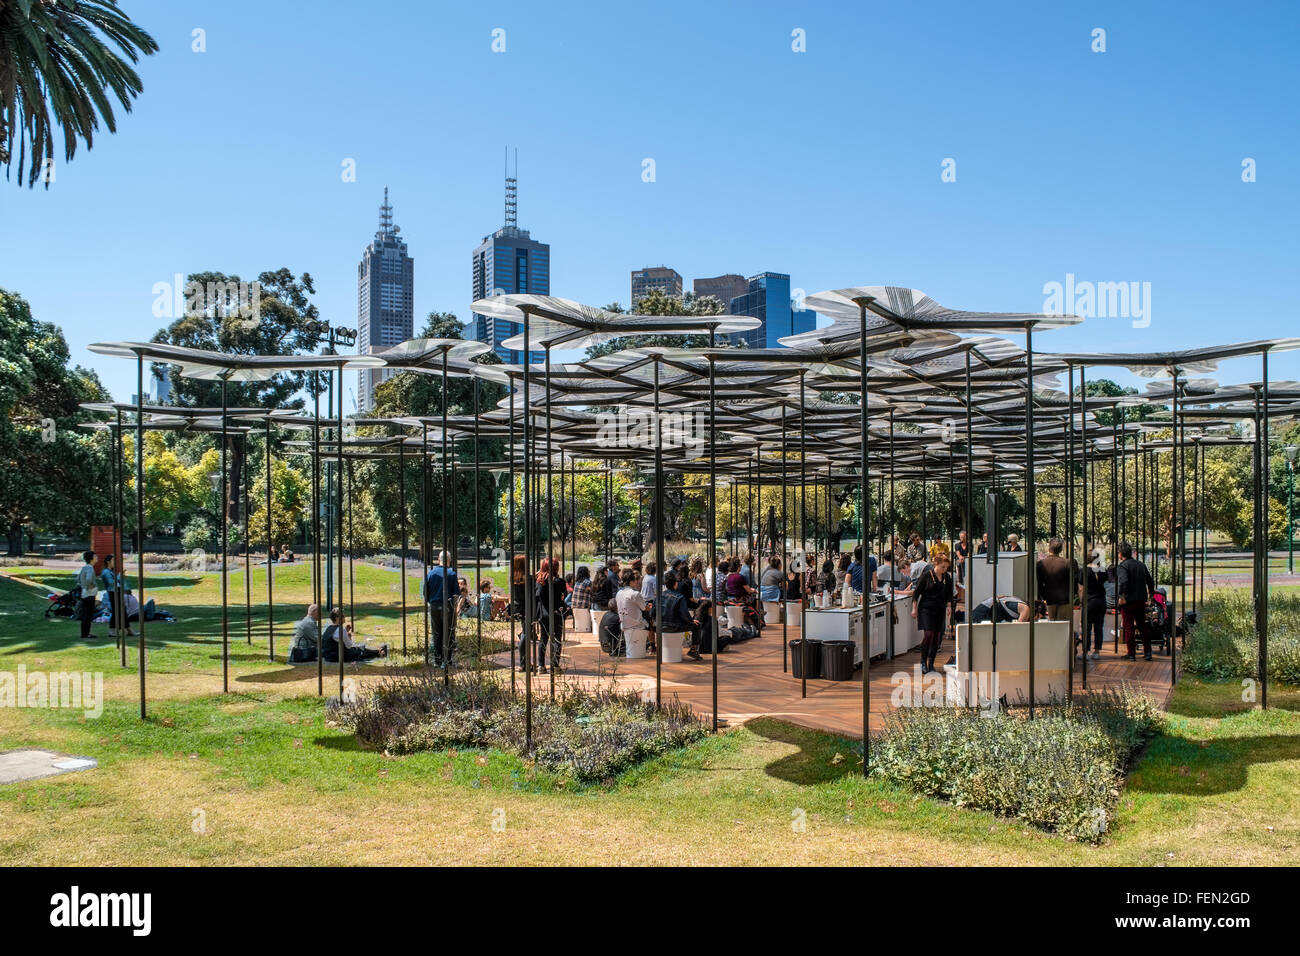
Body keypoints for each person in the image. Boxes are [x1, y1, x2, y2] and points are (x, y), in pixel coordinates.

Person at [912, 553, 960, 674]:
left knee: (937, 637)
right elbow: (916, 593)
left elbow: (949, 593)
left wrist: (949, 605)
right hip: (926, 609)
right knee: (928, 634)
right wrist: (914, 608)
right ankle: (923, 661)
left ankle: (931, 662)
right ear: (936, 564)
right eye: (943, 567)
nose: (945, 569)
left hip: (939, 609)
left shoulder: (946, 578)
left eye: (946, 567)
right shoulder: (926, 576)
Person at [1116, 542, 1155, 661]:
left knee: (1129, 627)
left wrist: (1121, 596)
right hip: (1140, 599)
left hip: (1128, 601)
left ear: (1121, 554)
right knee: (1142, 625)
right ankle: (1148, 652)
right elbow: (1150, 581)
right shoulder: (1141, 565)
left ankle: (1131, 653)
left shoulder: (1122, 566)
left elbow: (1123, 582)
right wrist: (1151, 595)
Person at [424, 550, 460, 668]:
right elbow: (456, 593)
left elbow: (425, 592)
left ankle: (437, 659)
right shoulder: (451, 574)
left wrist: (431, 601)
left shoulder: (431, 573)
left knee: (437, 633)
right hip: (447, 606)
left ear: (438, 560)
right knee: (448, 633)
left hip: (434, 606)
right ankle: (448, 660)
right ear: (449, 560)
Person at [658, 570, 701, 660]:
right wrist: (692, 621)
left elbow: (653, 613)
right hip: (675, 626)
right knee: (697, 625)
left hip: (660, 626)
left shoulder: (659, 596)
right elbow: (684, 615)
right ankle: (693, 650)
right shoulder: (680, 597)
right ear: (676, 584)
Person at [535, 557, 567, 673]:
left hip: (543, 614)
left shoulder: (539, 581)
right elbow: (564, 595)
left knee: (543, 639)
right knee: (557, 639)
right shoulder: (559, 582)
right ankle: (555, 665)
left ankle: (541, 666)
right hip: (556, 613)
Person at [322, 607, 387, 662]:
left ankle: (379, 651)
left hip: (328, 657)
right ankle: (380, 652)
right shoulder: (341, 630)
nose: (344, 617)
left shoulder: (329, 628)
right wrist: (349, 636)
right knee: (360, 650)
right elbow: (349, 646)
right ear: (337, 618)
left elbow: (335, 638)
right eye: (342, 616)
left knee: (359, 649)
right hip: (339, 657)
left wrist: (346, 632)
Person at [1036, 537, 1075, 622]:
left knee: (1051, 622)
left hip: (1049, 597)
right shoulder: (1067, 563)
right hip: (1065, 598)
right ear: (1061, 549)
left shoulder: (1041, 564)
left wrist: (1043, 596)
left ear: (1049, 548)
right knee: (1062, 623)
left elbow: (1039, 583)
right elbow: (1073, 582)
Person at [1079, 550, 1107, 660]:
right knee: (1099, 627)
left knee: (1086, 628)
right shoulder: (1102, 570)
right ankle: (1097, 651)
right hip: (1101, 601)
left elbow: (1081, 589)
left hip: (1089, 602)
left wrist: (1081, 601)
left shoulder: (1083, 571)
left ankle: (1085, 652)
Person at [616, 567, 649, 649]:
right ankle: (651, 645)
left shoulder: (619, 593)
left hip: (623, 624)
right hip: (637, 625)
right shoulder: (635, 594)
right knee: (651, 623)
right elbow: (645, 608)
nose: (637, 582)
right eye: (635, 580)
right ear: (631, 582)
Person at [76, 550, 99, 641]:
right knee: (88, 614)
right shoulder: (90, 568)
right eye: (95, 556)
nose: (97, 558)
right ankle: (86, 634)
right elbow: (89, 579)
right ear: (91, 559)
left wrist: (83, 586)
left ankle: (84, 633)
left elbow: (77, 579)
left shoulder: (84, 567)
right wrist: (92, 586)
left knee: (85, 613)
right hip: (89, 594)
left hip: (84, 593)